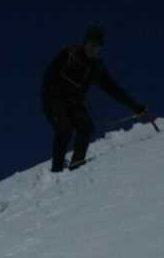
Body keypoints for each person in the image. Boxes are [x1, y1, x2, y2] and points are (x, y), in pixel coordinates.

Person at [41, 24, 149, 172]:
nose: (93, 49)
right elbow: (48, 77)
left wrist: (136, 106)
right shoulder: (69, 54)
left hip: (74, 103)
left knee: (86, 126)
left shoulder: (96, 68)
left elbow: (114, 89)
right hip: (55, 99)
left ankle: (76, 165)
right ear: (85, 43)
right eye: (91, 44)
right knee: (65, 129)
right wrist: (52, 99)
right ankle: (57, 170)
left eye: (97, 46)